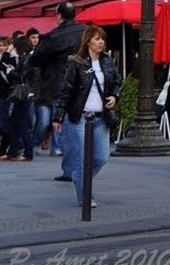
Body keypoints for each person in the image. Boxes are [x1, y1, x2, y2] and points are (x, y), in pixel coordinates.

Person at [52, 26, 120, 206]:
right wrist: (58, 117)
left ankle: (77, 176)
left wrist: (115, 96)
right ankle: (85, 197)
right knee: (82, 158)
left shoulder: (108, 62)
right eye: (97, 39)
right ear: (88, 41)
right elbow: (65, 91)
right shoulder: (77, 62)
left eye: (102, 39)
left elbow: (116, 83)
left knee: (101, 157)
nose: (101, 42)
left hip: (100, 117)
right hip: (79, 117)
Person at [29, 1, 84, 173]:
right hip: (82, 83)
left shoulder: (54, 36)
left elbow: (35, 59)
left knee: (61, 121)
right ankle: (66, 160)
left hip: (57, 83)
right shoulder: (85, 31)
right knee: (73, 123)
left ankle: (69, 165)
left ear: (59, 15)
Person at [3, 36, 35, 162]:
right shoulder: (28, 58)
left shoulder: (26, 59)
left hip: (22, 96)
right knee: (14, 124)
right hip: (25, 95)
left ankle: (28, 152)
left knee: (21, 125)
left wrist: (10, 72)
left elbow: (21, 77)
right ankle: (13, 151)